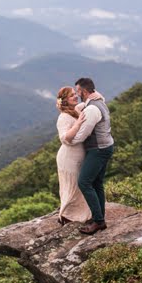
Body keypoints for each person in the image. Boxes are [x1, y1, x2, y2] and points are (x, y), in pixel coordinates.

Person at [64, 77, 114, 235]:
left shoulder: (92, 109)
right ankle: (99, 218)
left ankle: (98, 222)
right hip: (105, 147)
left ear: (84, 91)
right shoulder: (97, 102)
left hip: (98, 149)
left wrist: (69, 140)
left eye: (78, 91)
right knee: (97, 183)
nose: (77, 94)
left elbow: (83, 134)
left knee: (84, 182)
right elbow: (81, 106)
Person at [54, 86, 92, 225]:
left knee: (80, 186)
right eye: (71, 96)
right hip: (68, 157)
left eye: (75, 94)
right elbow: (65, 138)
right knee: (72, 186)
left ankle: (82, 214)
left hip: (78, 156)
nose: (75, 96)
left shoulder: (75, 111)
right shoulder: (63, 117)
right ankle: (67, 216)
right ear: (64, 100)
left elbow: (88, 102)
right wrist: (78, 123)